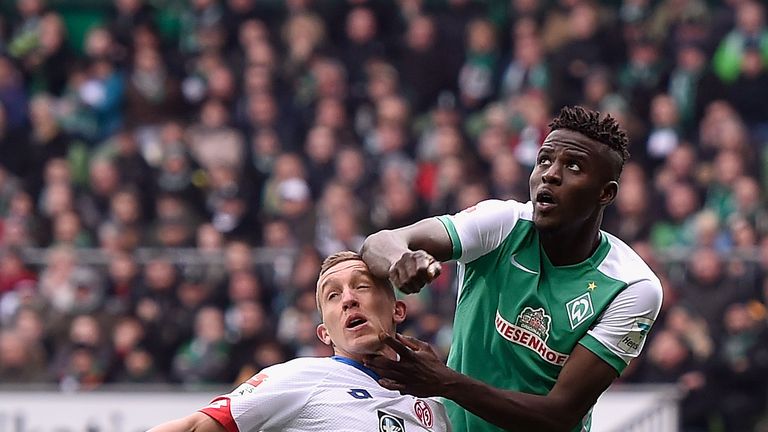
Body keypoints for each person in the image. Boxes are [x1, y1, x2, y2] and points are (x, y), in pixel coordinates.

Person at [360, 105, 663, 432]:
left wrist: (446, 383)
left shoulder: (632, 286)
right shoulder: (502, 224)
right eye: (544, 160)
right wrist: (401, 260)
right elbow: (380, 243)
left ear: (606, 193)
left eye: (573, 166)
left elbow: (559, 416)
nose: (551, 174)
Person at [148, 251, 451, 432]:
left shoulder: (436, 401)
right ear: (325, 334)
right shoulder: (299, 378)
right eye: (333, 295)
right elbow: (191, 428)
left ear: (398, 310)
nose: (348, 299)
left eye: (362, 287)